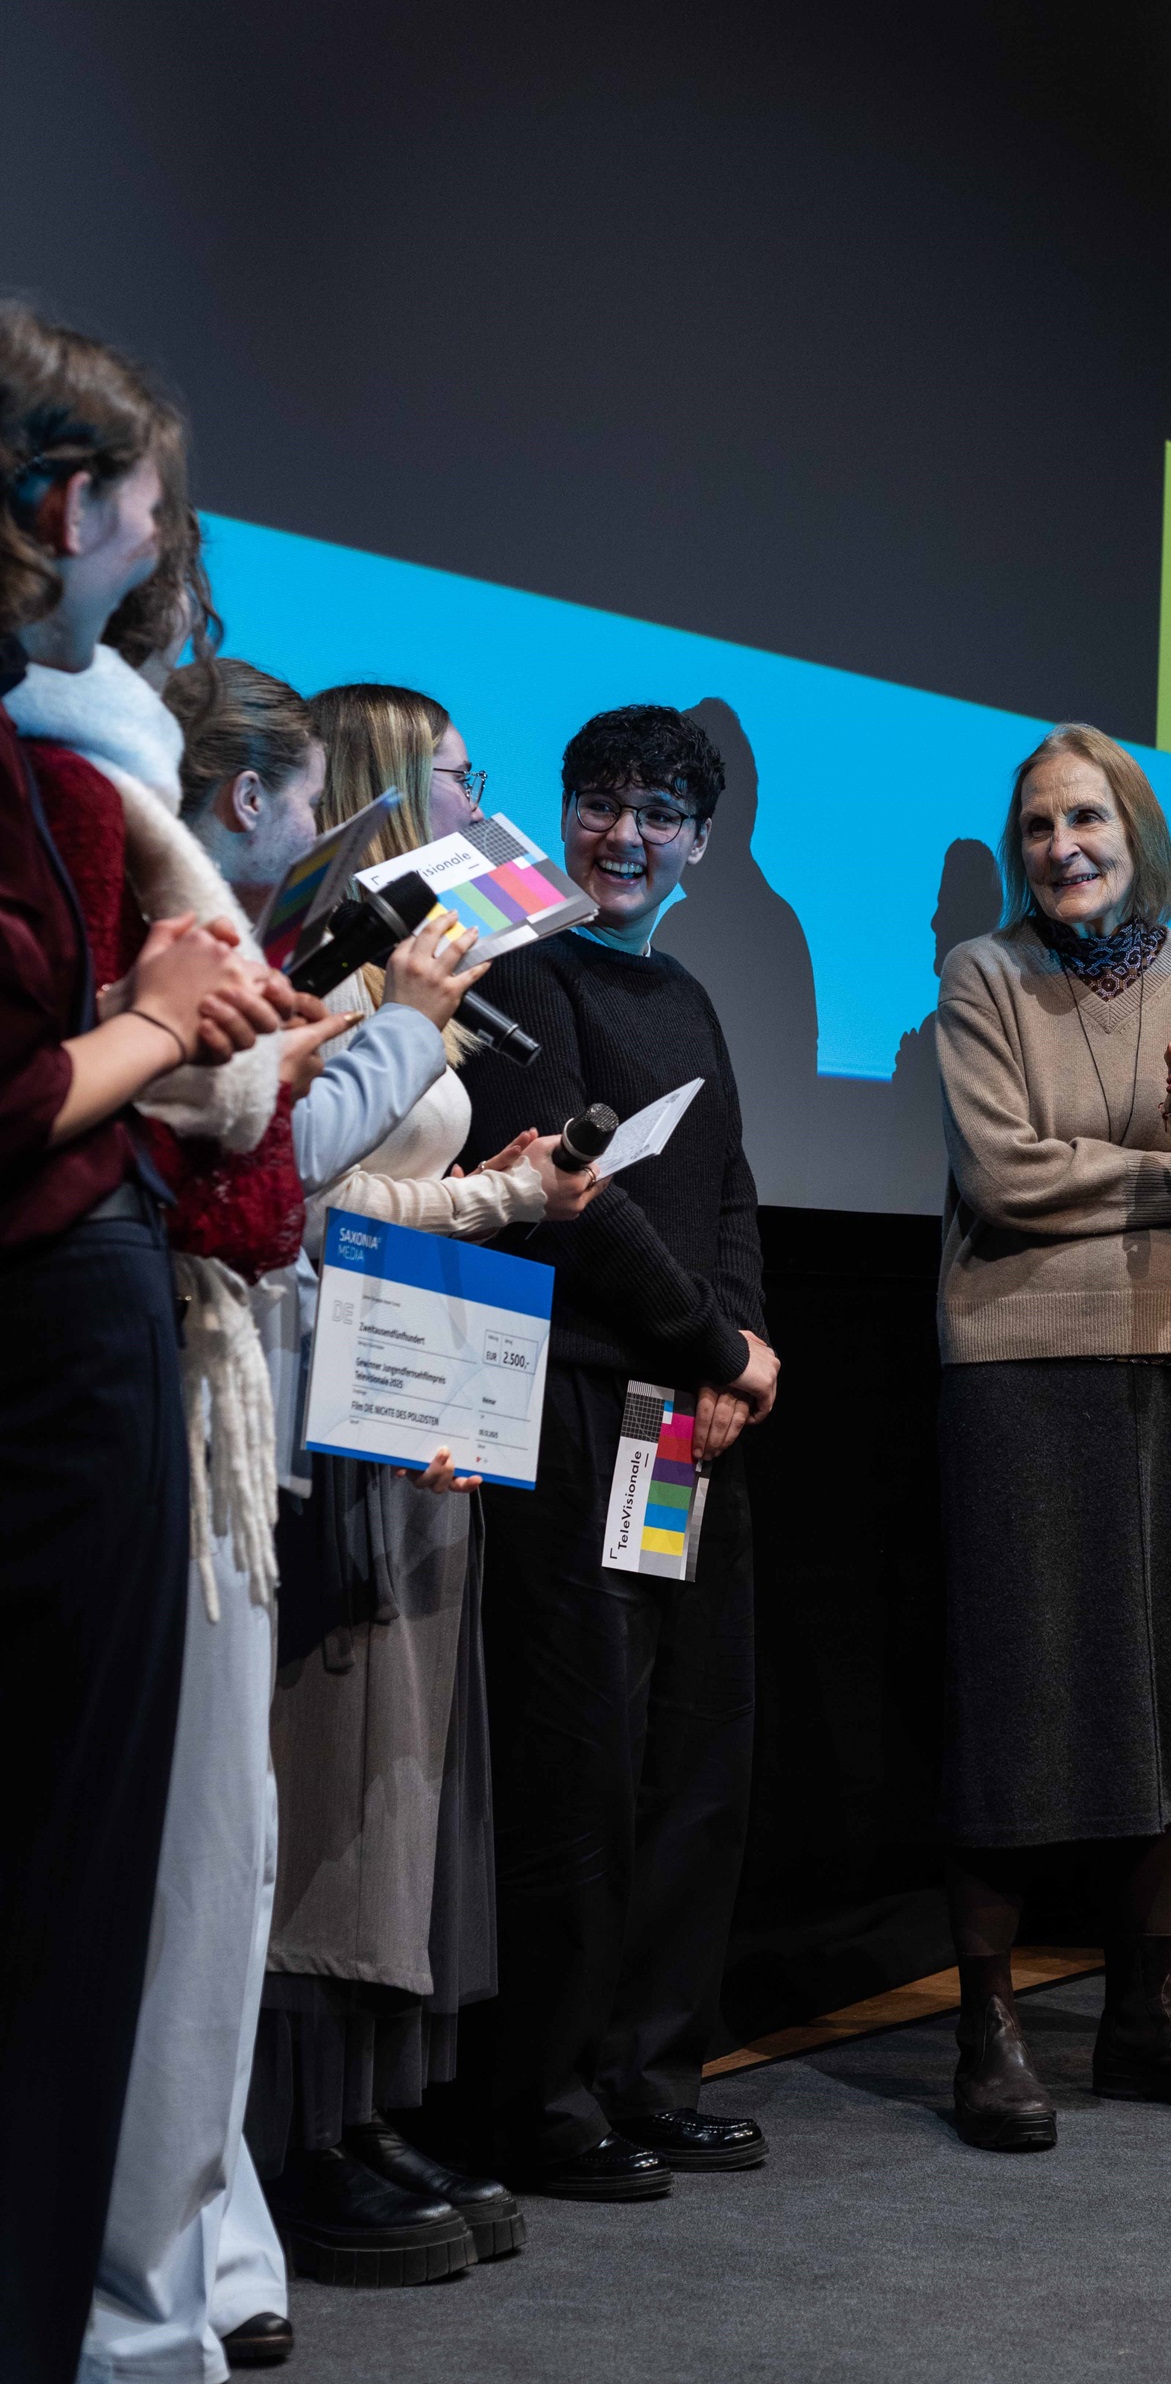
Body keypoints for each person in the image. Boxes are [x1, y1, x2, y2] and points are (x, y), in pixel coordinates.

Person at [0, 303, 277, 2384]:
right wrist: (161, 1021)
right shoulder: (48, 774)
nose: (161, 549)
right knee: (63, 1915)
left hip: (95, 1360)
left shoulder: (63, 770)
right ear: (71, 505)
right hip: (58, 1374)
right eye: (150, 504)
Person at [252, 681, 596, 2289]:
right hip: (326, 1389)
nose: (480, 800)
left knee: (405, 1768)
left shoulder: (428, 980)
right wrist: (490, 1203)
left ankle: (373, 2105)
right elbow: (302, 1195)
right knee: (335, 1757)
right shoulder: (323, 969)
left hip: (418, 1380)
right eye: (460, 775)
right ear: (390, 786)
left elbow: (382, 1181)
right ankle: (296, 2131)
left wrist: (504, 1192)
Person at [933, 723, 1171, 2151]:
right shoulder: (983, 976)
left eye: (1085, 819)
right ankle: (986, 2024)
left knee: (1166, 1687)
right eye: (1037, 825)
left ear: (1135, 833)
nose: (1061, 847)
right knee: (1020, 1686)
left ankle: (1141, 2013)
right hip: (1024, 1362)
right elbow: (1005, 1177)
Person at [462, 704, 778, 2197]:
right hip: (576, 1403)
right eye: (600, 801)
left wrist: (740, 1351)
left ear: (699, 844)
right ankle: (546, 2096)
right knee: (579, 1761)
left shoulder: (690, 996)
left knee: (683, 1755)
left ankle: (653, 2074)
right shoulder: (524, 974)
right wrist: (717, 1347)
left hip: (677, 1425)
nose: (623, 835)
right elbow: (575, 1205)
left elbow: (728, 1192)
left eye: (658, 813)